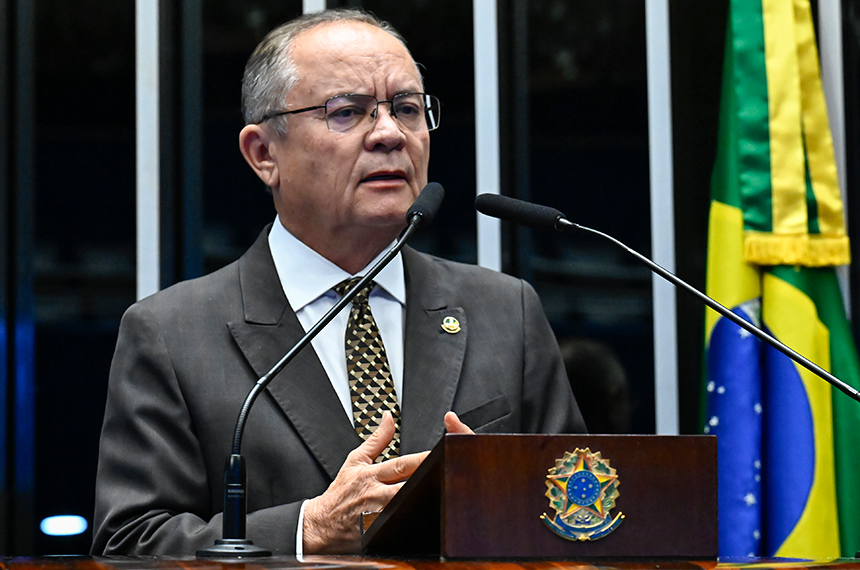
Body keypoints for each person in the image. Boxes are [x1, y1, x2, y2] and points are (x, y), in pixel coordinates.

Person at [92, 8, 586, 556]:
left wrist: (505, 499)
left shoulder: (505, 311)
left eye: (406, 108)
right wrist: (308, 529)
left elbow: (582, 514)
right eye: (347, 112)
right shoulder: (172, 334)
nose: (390, 135)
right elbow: (130, 545)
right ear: (263, 154)